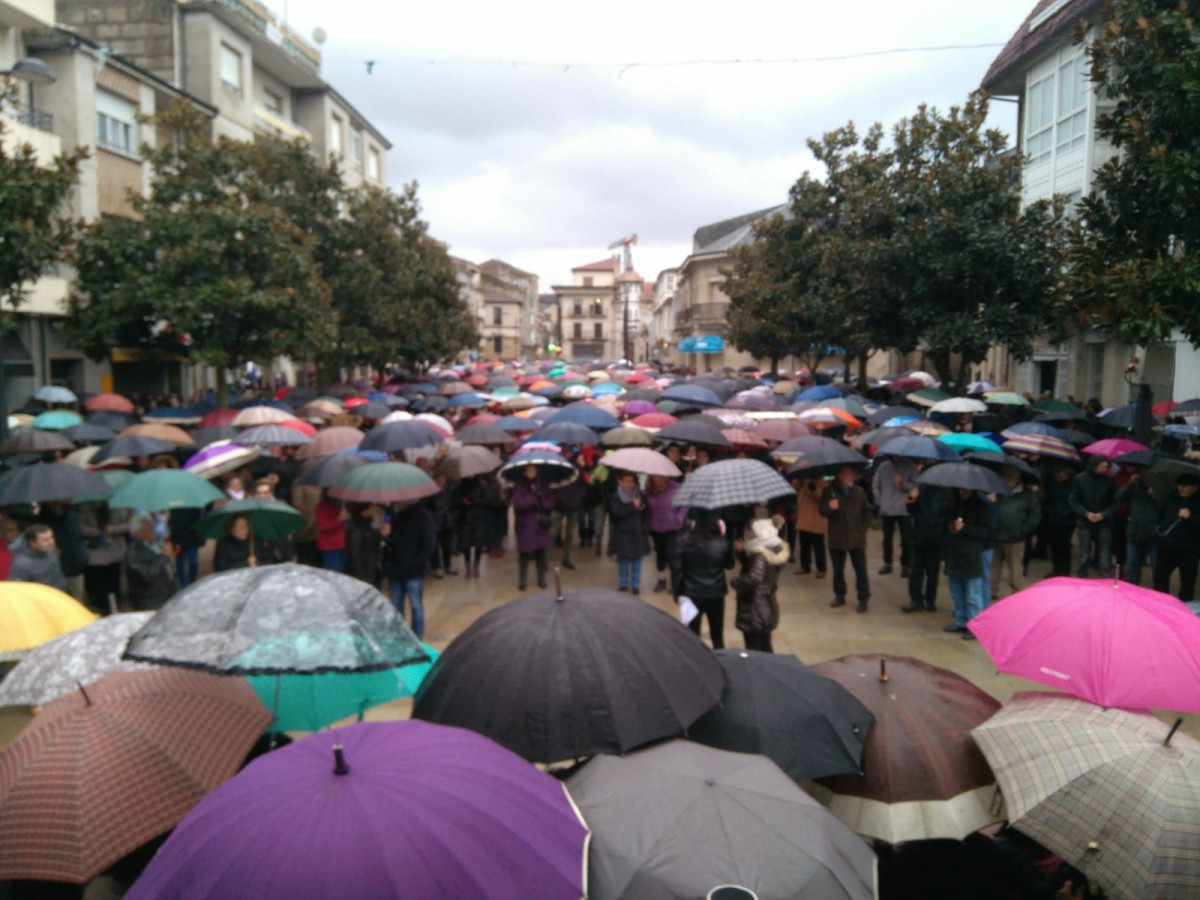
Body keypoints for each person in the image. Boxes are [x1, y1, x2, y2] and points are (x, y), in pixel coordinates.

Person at [670, 513, 734, 648]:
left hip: (691, 592)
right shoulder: (722, 542)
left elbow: (677, 570)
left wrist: (677, 593)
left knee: (692, 635)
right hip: (716, 593)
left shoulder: (685, 542)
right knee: (717, 635)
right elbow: (730, 564)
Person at [819, 466, 872, 612]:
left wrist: (863, 528)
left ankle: (863, 597)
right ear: (840, 476)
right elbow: (822, 511)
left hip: (856, 537)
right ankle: (840, 595)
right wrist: (830, 507)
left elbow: (867, 511)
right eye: (849, 474)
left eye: (853, 473)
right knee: (838, 569)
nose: (853, 476)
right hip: (837, 537)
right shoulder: (829, 491)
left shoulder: (859, 491)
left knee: (860, 569)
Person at [943, 487, 993, 639]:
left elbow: (985, 532)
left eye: (966, 489)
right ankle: (961, 621)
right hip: (954, 552)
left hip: (971, 554)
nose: (963, 490)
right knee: (957, 592)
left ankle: (975, 626)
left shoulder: (982, 506)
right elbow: (946, 522)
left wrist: (964, 528)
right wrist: (951, 527)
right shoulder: (953, 503)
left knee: (973, 595)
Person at [381, 500, 436, 638]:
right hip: (396, 568)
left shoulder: (423, 517)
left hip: (414, 570)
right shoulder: (393, 515)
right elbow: (390, 542)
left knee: (416, 606)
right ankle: (400, 636)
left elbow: (429, 545)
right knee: (396, 606)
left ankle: (417, 637)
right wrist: (386, 535)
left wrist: (417, 563)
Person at [732, 517, 788, 652]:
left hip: (755, 607)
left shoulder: (759, 555)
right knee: (765, 646)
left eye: (749, 531)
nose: (746, 535)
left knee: (754, 649)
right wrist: (741, 552)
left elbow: (754, 577)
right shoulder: (772, 549)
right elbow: (753, 566)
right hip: (766, 604)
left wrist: (736, 582)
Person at [992, 466, 1041, 598]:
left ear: (1017, 477)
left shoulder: (1028, 495)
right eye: (1004, 475)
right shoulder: (997, 491)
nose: (1006, 478)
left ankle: (1017, 592)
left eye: (1010, 475)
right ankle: (991, 590)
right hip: (996, 535)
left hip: (1015, 537)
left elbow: (1035, 515)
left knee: (1015, 567)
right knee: (994, 566)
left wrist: (1023, 530)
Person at [905, 477, 951, 612]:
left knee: (932, 572)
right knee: (916, 570)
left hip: (936, 538)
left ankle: (930, 600)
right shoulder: (920, 489)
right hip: (919, 535)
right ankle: (915, 600)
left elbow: (947, 515)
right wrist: (911, 499)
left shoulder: (947, 492)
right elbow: (911, 510)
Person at [1152, 471, 1200, 601]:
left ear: (1195, 487)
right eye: (1179, 485)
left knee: (1187, 582)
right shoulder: (1171, 497)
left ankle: (1185, 606)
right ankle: (1161, 604)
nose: (1181, 488)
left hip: (1189, 549)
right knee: (1160, 578)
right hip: (1167, 546)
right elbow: (1161, 516)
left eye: (1185, 485)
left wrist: (1191, 517)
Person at [1069, 455, 1118, 577]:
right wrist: (1085, 513)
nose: (1104, 470)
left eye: (1106, 467)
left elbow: (1115, 502)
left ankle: (1104, 575)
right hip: (1084, 520)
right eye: (1102, 467)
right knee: (1084, 551)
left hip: (1103, 520)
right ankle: (1082, 574)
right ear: (1094, 466)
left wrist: (1104, 514)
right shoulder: (1079, 479)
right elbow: (1073, 499)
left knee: (1104, 552)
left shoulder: (1109, 480)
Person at [511, 465, 554, 591]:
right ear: (524, 472)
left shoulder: (543, 485)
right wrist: (532, 499)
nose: (531, 473)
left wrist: (542, 501)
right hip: (526, 524)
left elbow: (550, 500)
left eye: (533, 471)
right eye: (529, 471)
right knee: (524, 553)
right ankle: (522, 580)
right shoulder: (519, 486)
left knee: (541, 553)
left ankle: (541, 578)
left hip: (540, 524)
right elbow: (518, 503)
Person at [609, 471, 652, 594]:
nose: (630, 484)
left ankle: (635, 585)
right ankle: (623, 584)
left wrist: (645, 527)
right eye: (626, 481)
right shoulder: (616, 497)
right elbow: (616, 514)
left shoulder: (641, 495)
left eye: (631, 481)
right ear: (620, 482)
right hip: (623, 533)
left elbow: (647, 513)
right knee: (623, 560)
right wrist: (632, 506)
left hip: (638, 533)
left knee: (637, 561)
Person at [1116, 465, 1159, 586]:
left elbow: (1166, 509)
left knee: (1156, 566)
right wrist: (1130, 483)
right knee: (1132, 564)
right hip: (1134, 531)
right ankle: (1133, 588)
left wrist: (1157, 496)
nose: (1146, 476)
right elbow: (1118, 497)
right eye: (1143, 473)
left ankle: (1158, 590)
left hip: (1153, 534)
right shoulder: (1134, 486)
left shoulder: (1160, 488)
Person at [123, 512, 176, 610]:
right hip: (151, 601)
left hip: (166, 596)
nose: (153, 531)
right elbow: (147, 575)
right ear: (139, 533)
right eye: (149, 528)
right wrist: (164, 556)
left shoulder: (152, 544)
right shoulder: (134, 553)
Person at [455, 473, 504, 577]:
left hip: (479, 518)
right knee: (466, 544)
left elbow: (489, 500)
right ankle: (468, 566)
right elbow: (454, 501)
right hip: (465, 518)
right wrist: (463, 501)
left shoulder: (482, 485)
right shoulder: (460, 486)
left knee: (479, 543)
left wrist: (475, 501)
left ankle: (476, 566)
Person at [872, 457, 915, 577]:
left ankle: (906, 564)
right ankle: (887, 562)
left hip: (904, 509)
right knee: (887, 538)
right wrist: (880, 502)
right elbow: (876, 485)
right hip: (887, 509)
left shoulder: (911, 466)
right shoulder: (884, 466)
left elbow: (915, 486)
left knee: (906, 539)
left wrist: (903, 484)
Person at [645, 474, 687, 593]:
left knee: (672, 555)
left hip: (673, 527)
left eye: (659, 477)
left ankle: (675, 583)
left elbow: (685, 504)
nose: (656, 479)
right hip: (656, 528)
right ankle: (661, 579)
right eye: (654, 477)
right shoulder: (648, 490)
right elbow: (645, 508)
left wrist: (679, 518)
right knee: (660, 554)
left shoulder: (676, 487)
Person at [550, 448, 587, 571]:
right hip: (558, 506)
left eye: (569, 451)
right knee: (552, 534)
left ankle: (567, 558)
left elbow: (582, 484)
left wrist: (579, 497)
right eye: (564, 451)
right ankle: (544, 559)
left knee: (569, 535)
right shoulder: (556, 466)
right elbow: (551, 485)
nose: (567, 454)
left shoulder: (577, 467)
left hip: (573, 505)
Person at [1042, 464, 1078, 577]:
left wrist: (1066, 514)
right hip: (1054, 519)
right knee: (1054, 545)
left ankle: (1065, 570)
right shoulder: (1054, 485)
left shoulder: (1073, 486)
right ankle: (1056, 569)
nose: (1058, 478)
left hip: (1068, 521)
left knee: (1064, 546)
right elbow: (1050, 499)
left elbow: (1075, 503)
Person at [8, 523, 67, 590]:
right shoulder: (21, 564)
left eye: (51, 537)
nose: (51, 542)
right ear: (33, 543)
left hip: (60, 592)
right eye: (45, 540)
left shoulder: (49, 548)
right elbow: (18, 589)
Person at [794, 476, 827, 578]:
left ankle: (821, 568)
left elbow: (822, 498)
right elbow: (794, 490)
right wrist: (799, 480)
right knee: (804, 545)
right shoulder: (802, 481)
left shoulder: (822, 482)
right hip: (804, 517)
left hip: (817, 518)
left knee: (818, 546)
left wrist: (812, 486)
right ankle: (805, 566)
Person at [344, 502, 382, 587]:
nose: (373, 509)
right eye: (371, 507)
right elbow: (355, 554)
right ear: (364, 510)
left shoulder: (366, 525)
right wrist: (362, 576)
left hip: (368, 570)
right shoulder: (356, 528)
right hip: (363, 573)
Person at [315, 490, 348, 572]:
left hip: (341, 544)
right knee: (333, 573)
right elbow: (323, 527)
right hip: (330, 546)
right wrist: (339, 519)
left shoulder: (340, 505)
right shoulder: (322, 507)